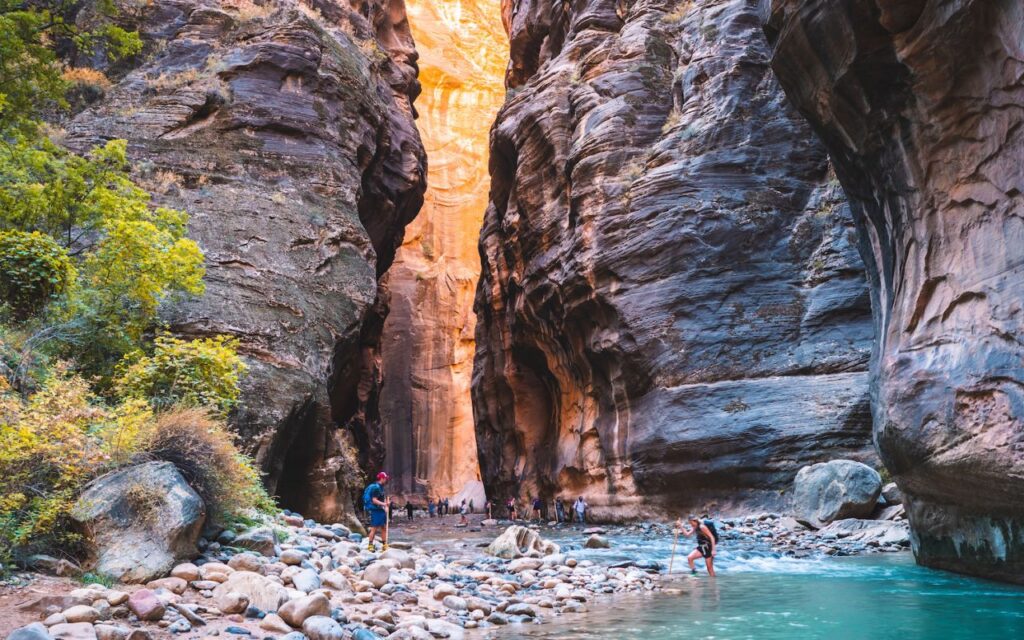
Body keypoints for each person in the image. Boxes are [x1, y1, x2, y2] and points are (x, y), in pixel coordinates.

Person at [362, 471, 389, 552]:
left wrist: (385, 505)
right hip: (376, 510)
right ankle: (370, 545)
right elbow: (374, 500)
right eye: (385, 478)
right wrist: (384, 504)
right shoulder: (376, 488)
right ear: (381, 478)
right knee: (374, 528)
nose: (386, 480)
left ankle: (384, 545)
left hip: (380, 510)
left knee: (383, 527)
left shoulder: (380, 487)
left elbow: (381, 498)